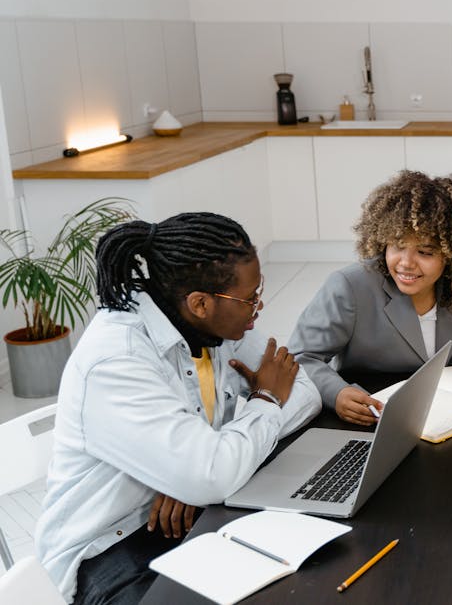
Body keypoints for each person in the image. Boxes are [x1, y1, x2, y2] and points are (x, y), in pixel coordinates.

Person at [35, 212, 321, 604]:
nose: (258, 306)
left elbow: (304, 392)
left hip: (196, 518)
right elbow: (214, 469)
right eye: (250, 298)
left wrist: (200, 467)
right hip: (111, 552)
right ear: (200, 303)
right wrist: (264, 403)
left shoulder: (217, 326)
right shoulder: (117, 361)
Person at [290, 170, 452, 425]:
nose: (406, 263)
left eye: (425, 252)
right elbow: (301, 357)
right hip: (369, 413)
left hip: (444, 414)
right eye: (397, 246)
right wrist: (337, 393)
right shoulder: (350, 286)